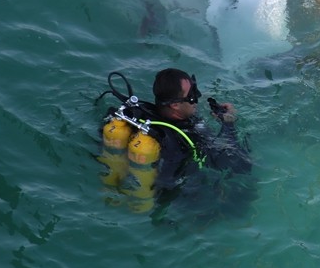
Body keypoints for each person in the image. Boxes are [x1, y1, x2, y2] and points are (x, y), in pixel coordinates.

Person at [97, 68, 252, 212]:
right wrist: (229, 124)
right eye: (192, 95)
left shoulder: (139, 114)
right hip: (174, 199)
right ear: (175, 105)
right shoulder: (187, 136)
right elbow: (235, 163)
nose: (196, 98)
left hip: (142, 178)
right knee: (242, 198)